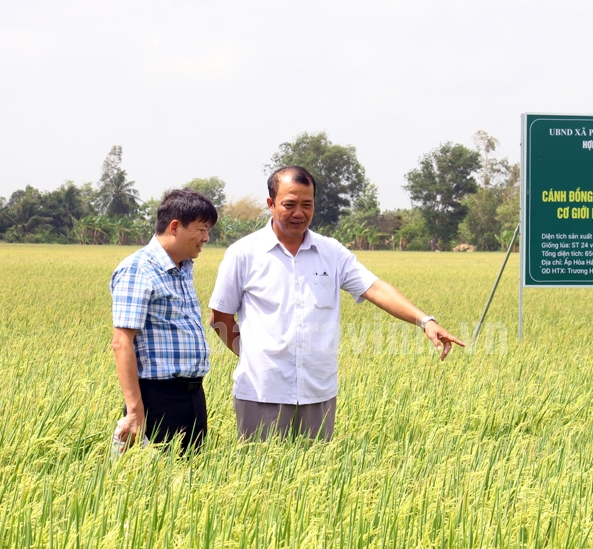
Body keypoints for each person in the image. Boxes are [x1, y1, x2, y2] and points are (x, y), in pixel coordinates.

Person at [209, 166, 464, 441]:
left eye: (307, 204)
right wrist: (253, 356)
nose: (299, 213)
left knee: (316, 475)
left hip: (317, 392)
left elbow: (375, 288)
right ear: (271, 204)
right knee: (258, 475)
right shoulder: (244, 254)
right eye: (289, 204)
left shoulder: (331, 252)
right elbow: (220, 317)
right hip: (261, 392)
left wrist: (425, 321)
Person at [110, 189, 216, 454]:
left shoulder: (183, 267)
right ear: (175, 227)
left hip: (192, 396)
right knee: (154, 487)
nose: (206, 238)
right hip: (158, 398)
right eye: (202, 229)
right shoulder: (138, 269)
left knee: (190, 481)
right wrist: (135, 411)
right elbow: (122, 342)